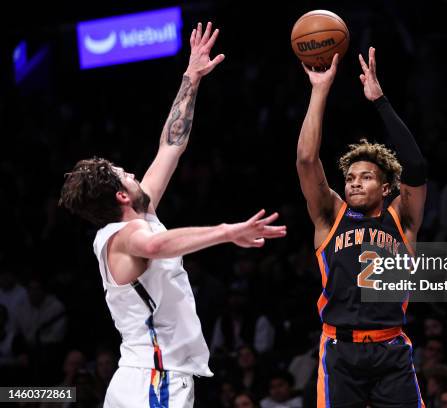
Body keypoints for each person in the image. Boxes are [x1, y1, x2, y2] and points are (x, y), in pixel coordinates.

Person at [59, 22, 286, 408]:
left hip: (144, 377)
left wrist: (191, 77)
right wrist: (227, 231)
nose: (132, 173)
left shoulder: (137, 215)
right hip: (155, 381)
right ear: (120, 195)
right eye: (124, 174)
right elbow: (158, 244)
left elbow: (171, 145)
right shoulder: (125, 237)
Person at [296, 47, 427, 407]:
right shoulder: (330, 215)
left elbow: (415, 168)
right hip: (339, 349)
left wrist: (380, 101)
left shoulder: (402, 218)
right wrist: (319, 90)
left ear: (386, 188)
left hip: (391, 349)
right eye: (350, 177)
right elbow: (307, 160)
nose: (354, 183)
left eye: (366, 177)